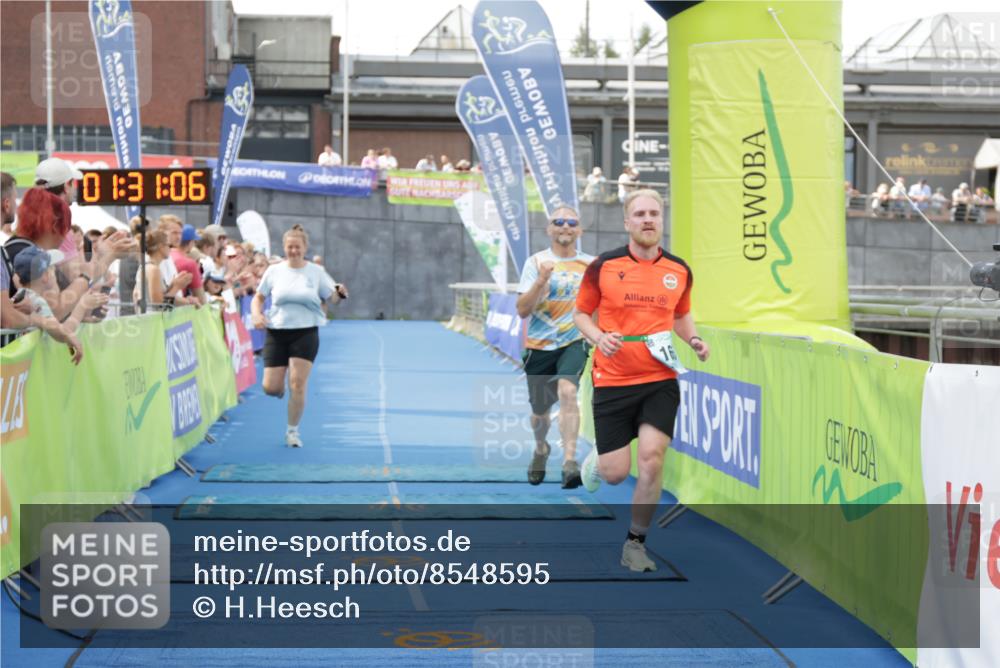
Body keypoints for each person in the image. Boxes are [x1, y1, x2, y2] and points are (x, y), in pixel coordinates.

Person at [573, 189, 710, 572]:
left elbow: (681, 316)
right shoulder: (604, 266)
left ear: (662, 220)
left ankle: (635, 543)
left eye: (654, 213)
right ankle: (602, 458)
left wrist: (694, 339)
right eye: (640, 214)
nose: (648, 219)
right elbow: (581, 314)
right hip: (613, 378)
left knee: (651, 459)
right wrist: (598, 336)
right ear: (627, 222)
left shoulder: (679, 270)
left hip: (659, 377)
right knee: (617, 473)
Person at [516, 207, 594, 488]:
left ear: (579, 230)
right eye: (558, 222)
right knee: (540, 413)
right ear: (549, 229)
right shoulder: (535, 262)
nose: (565, 226)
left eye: (572, 222)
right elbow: (522, 311)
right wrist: (540, 280)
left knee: (568, 391)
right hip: (540, 346)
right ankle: (541, 449)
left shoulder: (591, 265)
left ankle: (569, 462)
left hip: (574, 341)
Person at [251, 225, 348, 448]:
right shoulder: (274, 270)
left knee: (298, 384)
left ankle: (292, 432)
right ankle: (280, 389)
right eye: (289, 247)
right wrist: (256, 314)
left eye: (297, 247)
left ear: (304, 248)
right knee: (270, 388)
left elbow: (331, 296)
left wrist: (339, 294)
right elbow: (258, 297)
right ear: (284, 248)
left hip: (305, 332)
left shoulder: (315, 272)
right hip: (277, 331)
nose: (293, 250)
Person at [133, 229, 195, 308]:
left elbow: (136, 294)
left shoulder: (147, 267)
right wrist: (176, 287)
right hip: (153, 319)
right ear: (160, 247)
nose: (171, 249)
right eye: (169, 245)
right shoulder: (153, 270)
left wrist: (173, 285)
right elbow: (159, 304)